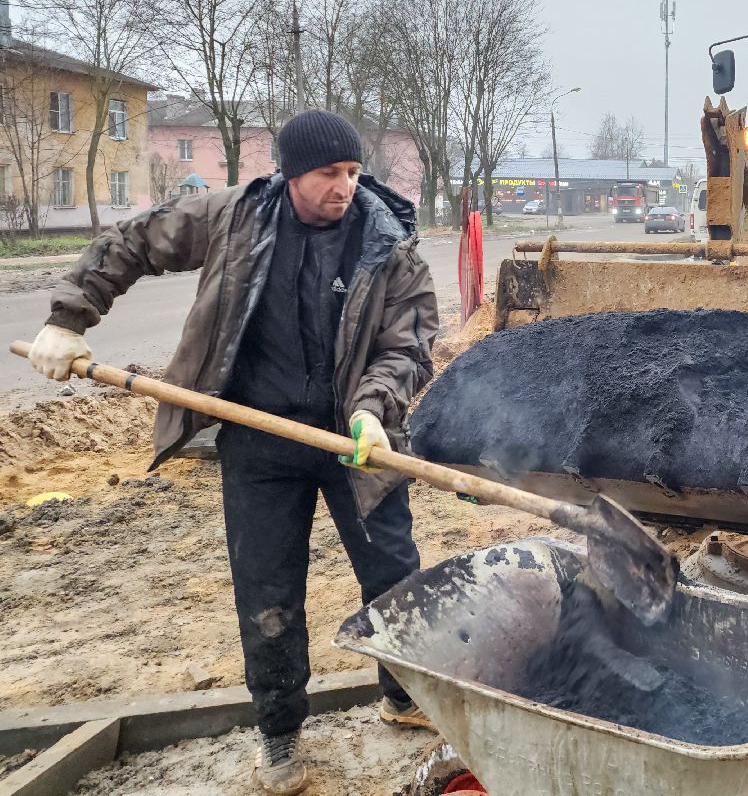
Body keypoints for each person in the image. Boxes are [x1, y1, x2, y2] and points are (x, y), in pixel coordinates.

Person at [29, 110, 440, 795]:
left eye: (352, 171)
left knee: (394, 574)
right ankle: (279, 737)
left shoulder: (387, 243)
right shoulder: (234, 218)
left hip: (356, 440)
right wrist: (68, 318)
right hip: (257, 437)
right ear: (289, 174)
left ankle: (404, 696)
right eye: (328, 174)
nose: (345, 186)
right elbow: (134, 240)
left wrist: (375, 409)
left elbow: (411, 340)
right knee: (268, 592)